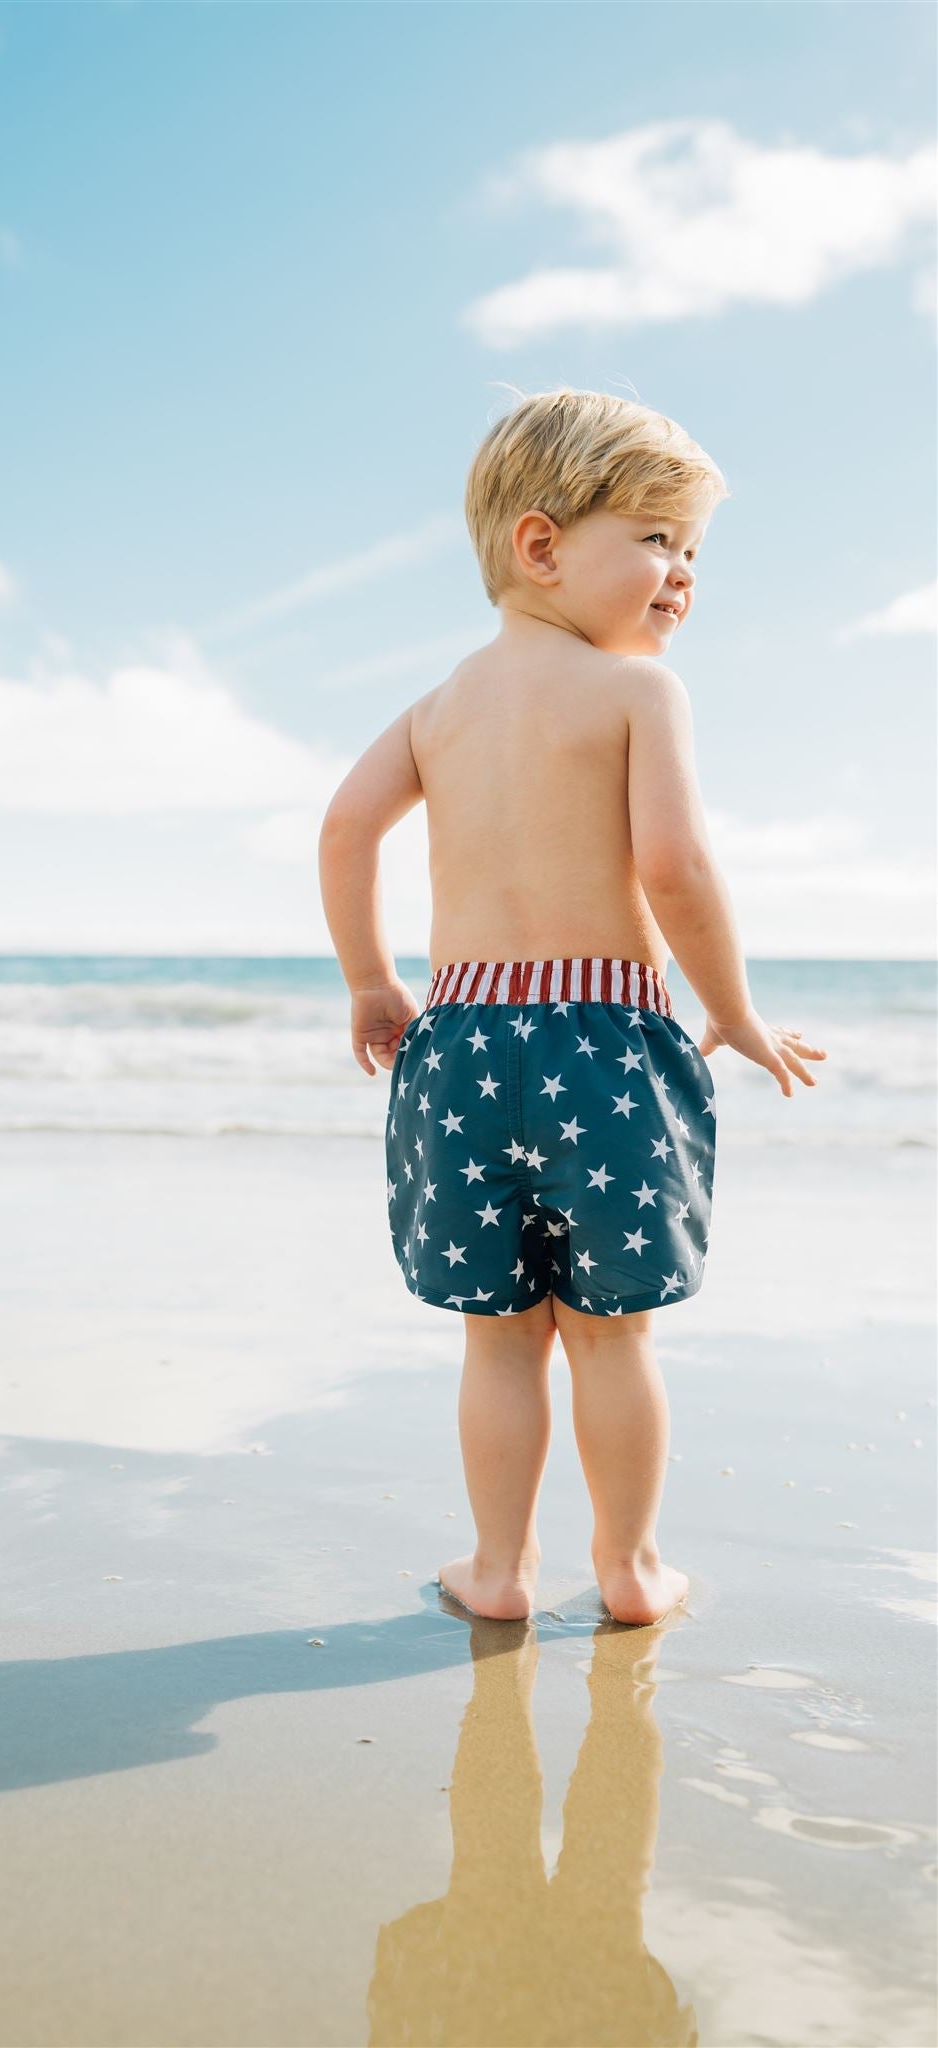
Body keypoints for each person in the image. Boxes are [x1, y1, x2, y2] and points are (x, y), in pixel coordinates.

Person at [317, 386, 827, 1627]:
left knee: (499, 1337)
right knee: (612, 1336)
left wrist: (374, 982)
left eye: (694, 551)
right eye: (658, 538)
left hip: (458, 1047)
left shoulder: (439, 707)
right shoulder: (640, 696)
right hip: (604, 1047)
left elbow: (344, 827)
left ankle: (497, 1572)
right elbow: (674, 869)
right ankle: (632, 1569)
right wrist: (738, 1011)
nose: (683, 574)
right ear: (541, 545)